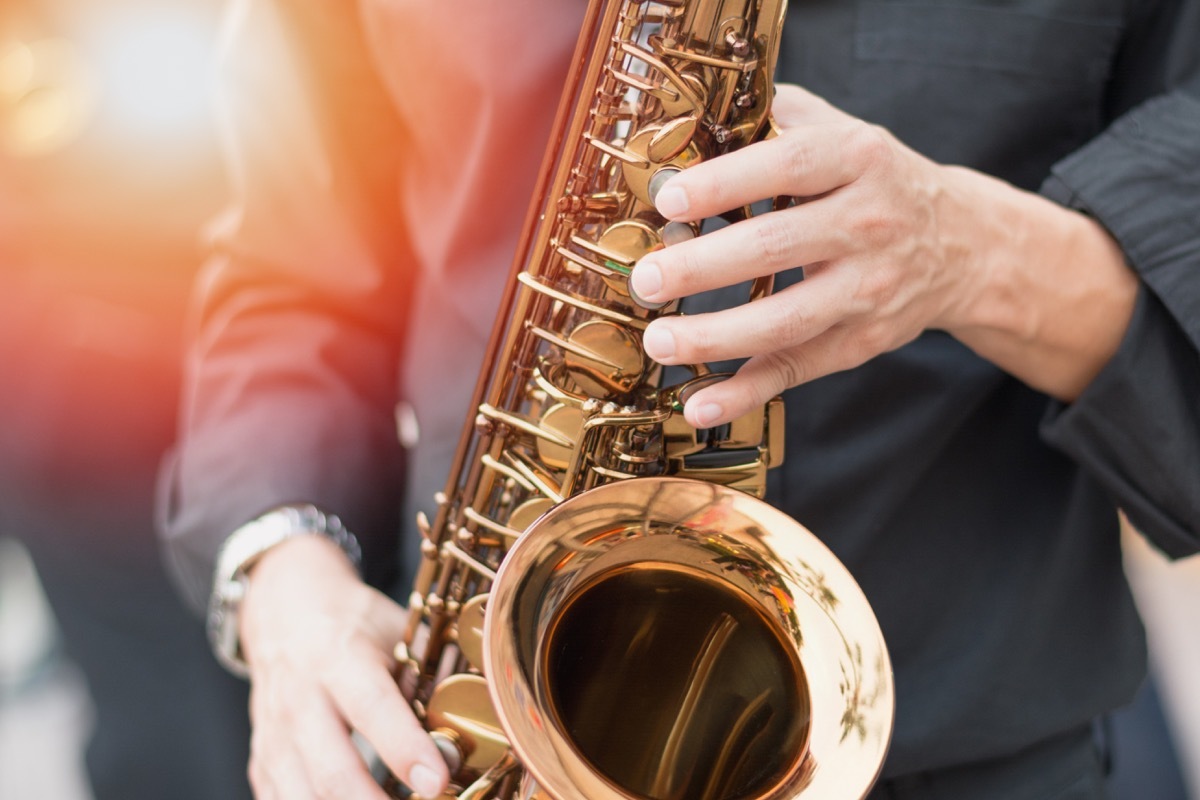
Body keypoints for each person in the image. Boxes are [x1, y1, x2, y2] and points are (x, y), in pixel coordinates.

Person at [158, 1, 1200, 798]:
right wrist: (283, 579)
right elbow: (284, 275)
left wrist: (974, 254)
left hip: (975, 741)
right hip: (478, 725)